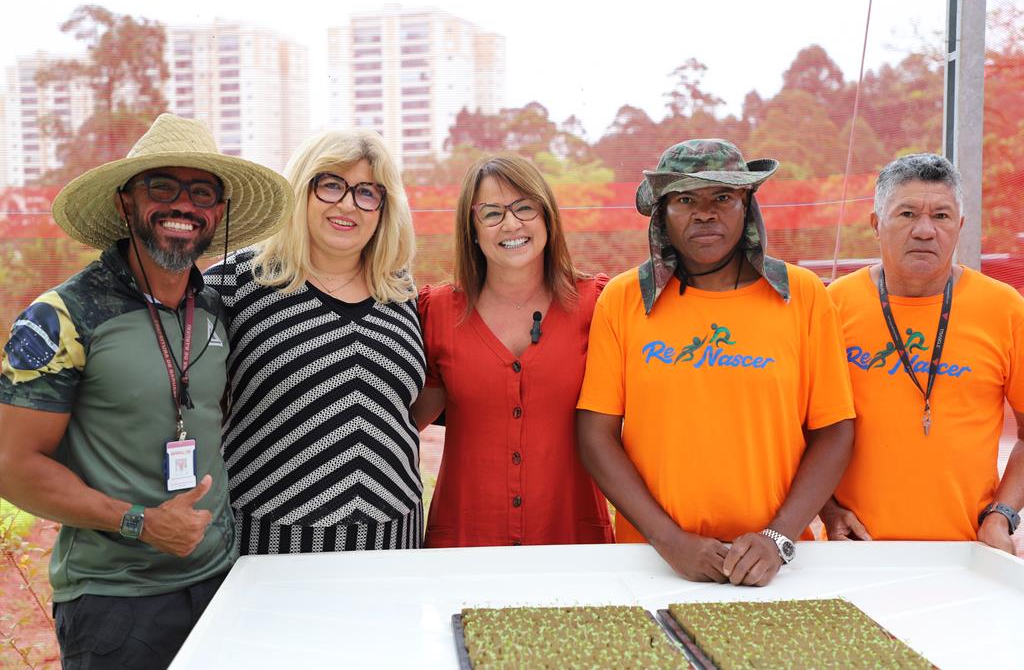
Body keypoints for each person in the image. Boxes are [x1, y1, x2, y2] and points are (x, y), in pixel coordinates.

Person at [0, 113, 291, 668]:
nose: (184, 205)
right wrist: (139, 521)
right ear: (124, 204)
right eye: (162, 186)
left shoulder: (215, 309)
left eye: (202, 192)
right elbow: (12, 466)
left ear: (218, 214)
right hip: (114, 601)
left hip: (220, 583)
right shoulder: (62, 316)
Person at [576, 139, 855, 586]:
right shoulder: (625, 300)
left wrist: (777, 538)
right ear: (663, 214)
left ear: (747, 205)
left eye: (722, 197)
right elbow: (595, 433)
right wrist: (669, 541)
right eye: (685, 199)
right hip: (652, 564)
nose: (704, 213)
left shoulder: (802, 295)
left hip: (779, 566)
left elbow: (835, 430)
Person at [204, 130, 424, 554]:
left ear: (384, 207)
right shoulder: (235, 282)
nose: (347, 204)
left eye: (367, 192)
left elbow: (405, 406)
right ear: (300, 188)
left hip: (392, 541)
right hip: (268, 542)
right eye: (331, 185)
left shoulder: (400, 291)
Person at [823, 153, 1024, 552]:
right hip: (852, 548)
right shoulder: (832, 306)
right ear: (876, 224)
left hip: (969, 550)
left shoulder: (1004, 308)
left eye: (942, 216)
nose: (925, 231)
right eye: (907, 214)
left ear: (960, 226)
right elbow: (797, 431)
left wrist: (1002, 515)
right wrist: (827, 508)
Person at [413, 154, 613, 548]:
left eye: (525, 207)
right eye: (491, 213)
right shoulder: (435, 311)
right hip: (465, 541)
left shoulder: (598, 304)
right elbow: (402, 424)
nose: (511, 224)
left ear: (547, 217)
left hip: (573, 539)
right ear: (471, 227)